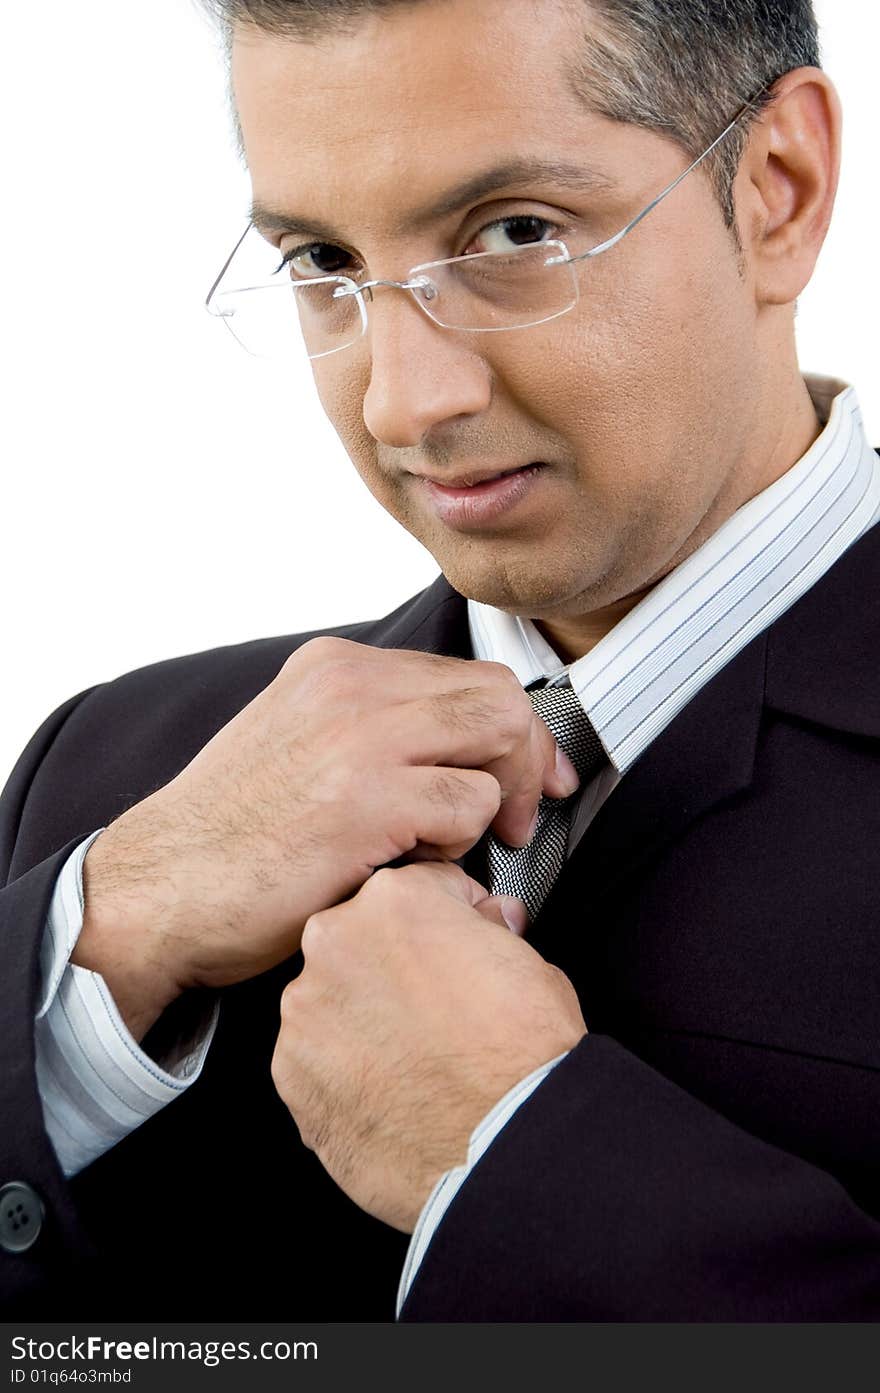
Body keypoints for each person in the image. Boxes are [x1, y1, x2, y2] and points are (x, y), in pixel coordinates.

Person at [1, 0, 878, 1321]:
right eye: (322, 258)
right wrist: (96, 948)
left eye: (516, 234)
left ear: (778, 190)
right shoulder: (110, 784)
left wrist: (525, 1158)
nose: (405, 401)